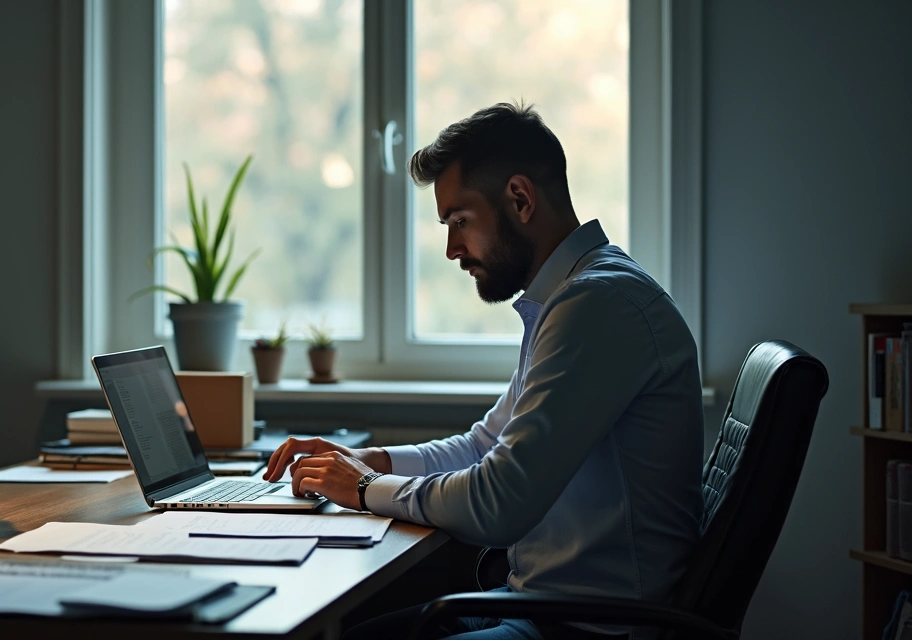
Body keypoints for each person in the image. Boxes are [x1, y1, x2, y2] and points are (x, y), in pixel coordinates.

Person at [262, 102, 704, 640]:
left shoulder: (597, 304)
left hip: (593, 627)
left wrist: (368, 487)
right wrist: (367, 459)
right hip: (543, 604)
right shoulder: (571, 297)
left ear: (519, 198)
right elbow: (484, 445)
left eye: (460, 222)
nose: (451, 250)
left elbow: (499, 504)